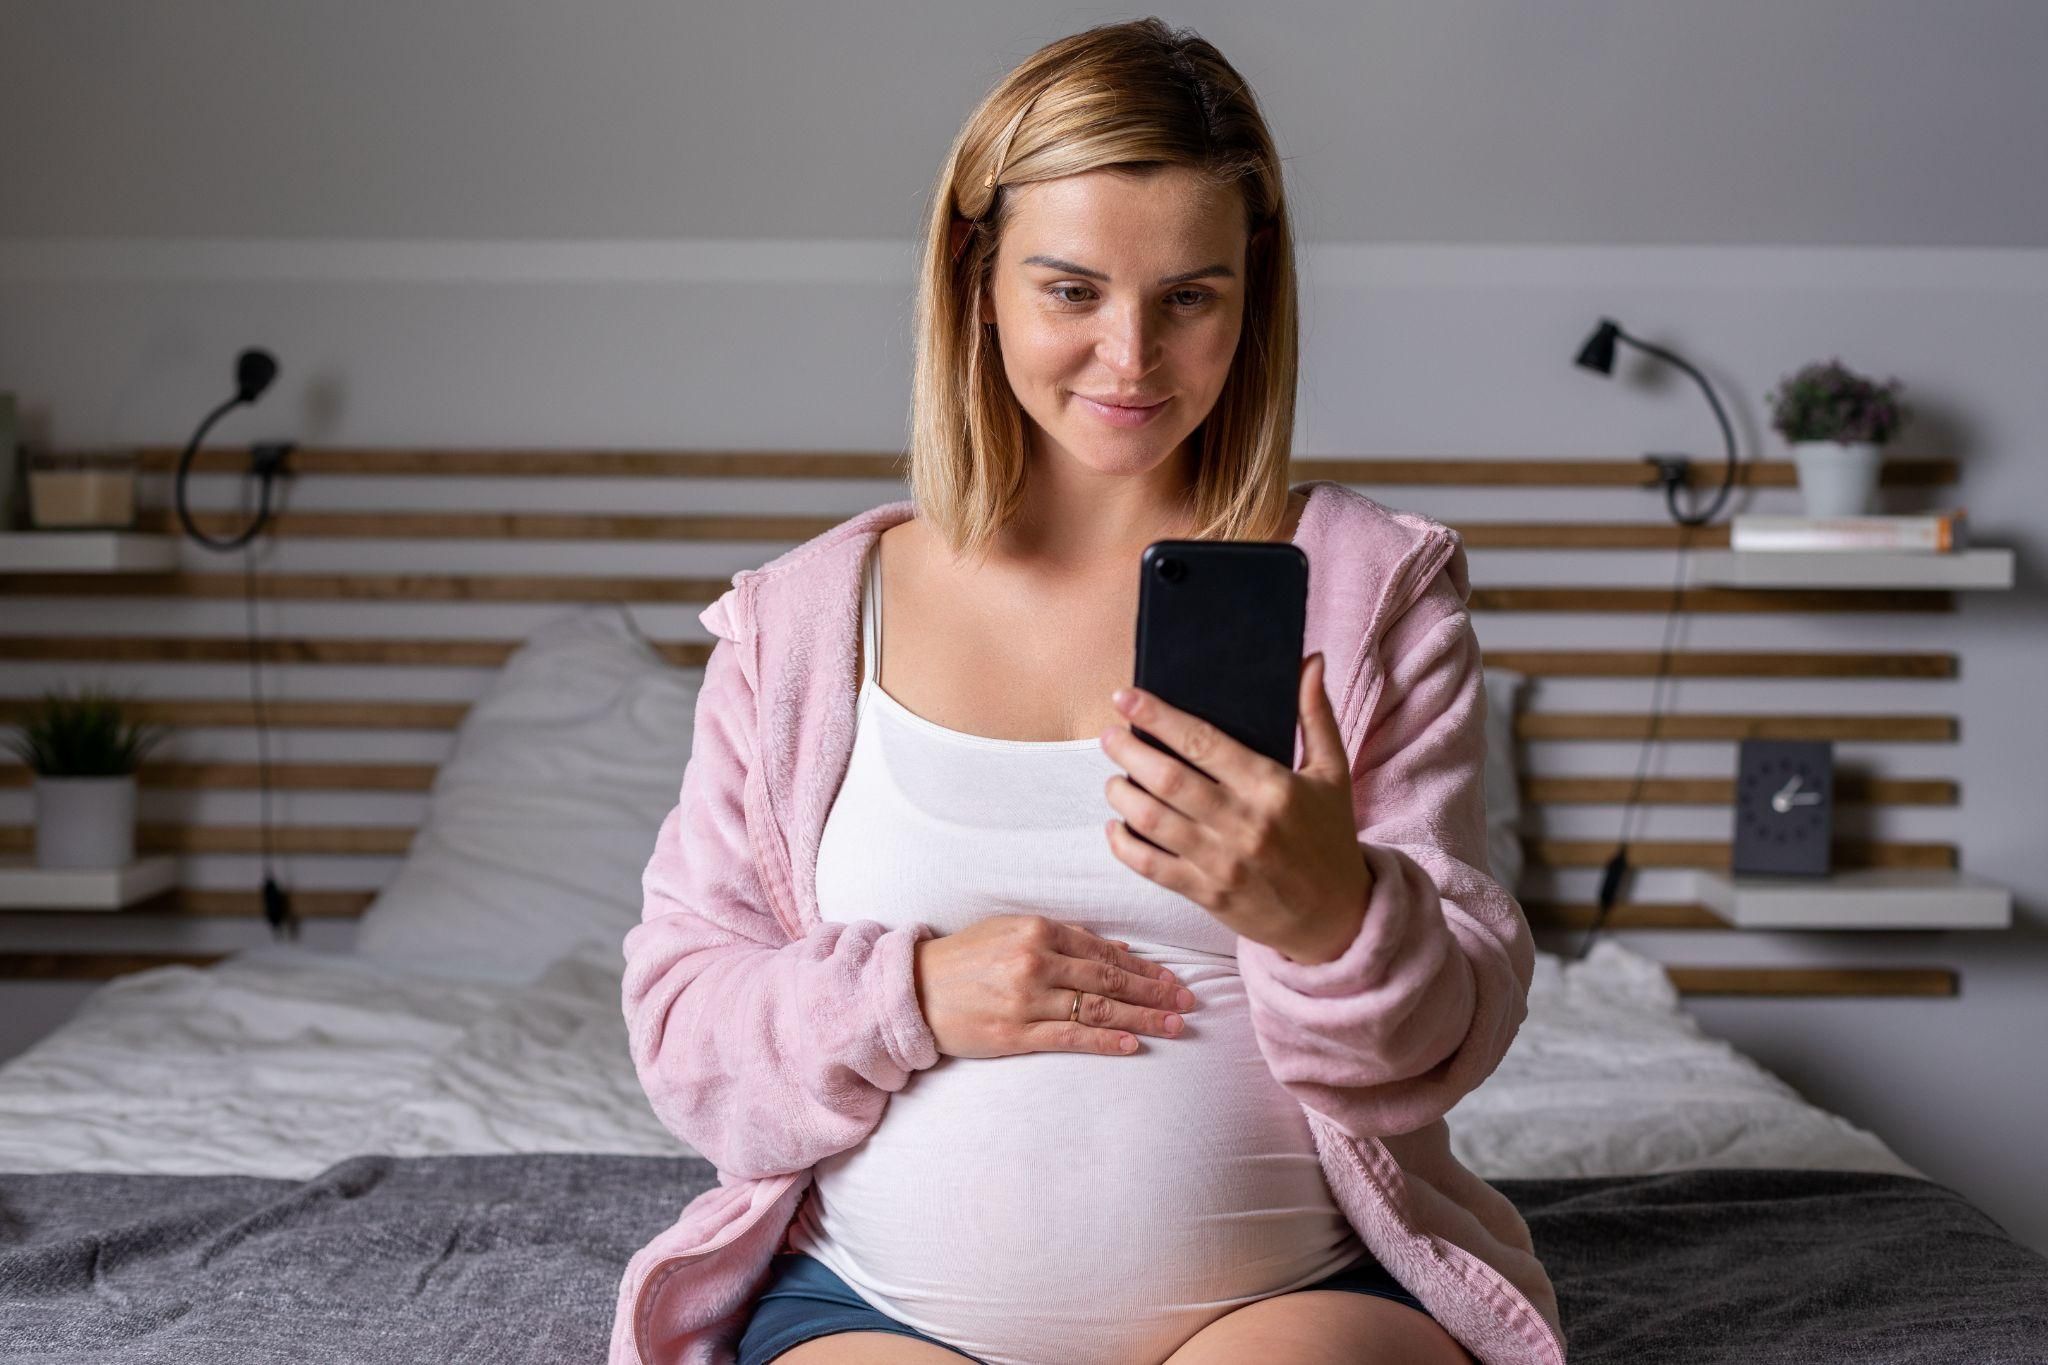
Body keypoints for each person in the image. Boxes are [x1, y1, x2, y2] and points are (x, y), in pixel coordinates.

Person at [609, 17, 1564, 1365]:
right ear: (976, 274)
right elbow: (682, 1024)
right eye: (1072, 291)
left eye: (1191, 296)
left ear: (1254, 292)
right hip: (879, 1314)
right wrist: (915, 996)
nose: (1131, 358)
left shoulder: (1370, 590)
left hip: (1293, 1297)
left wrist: (1331, 913)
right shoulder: (805, 622)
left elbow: (1458, 1022)